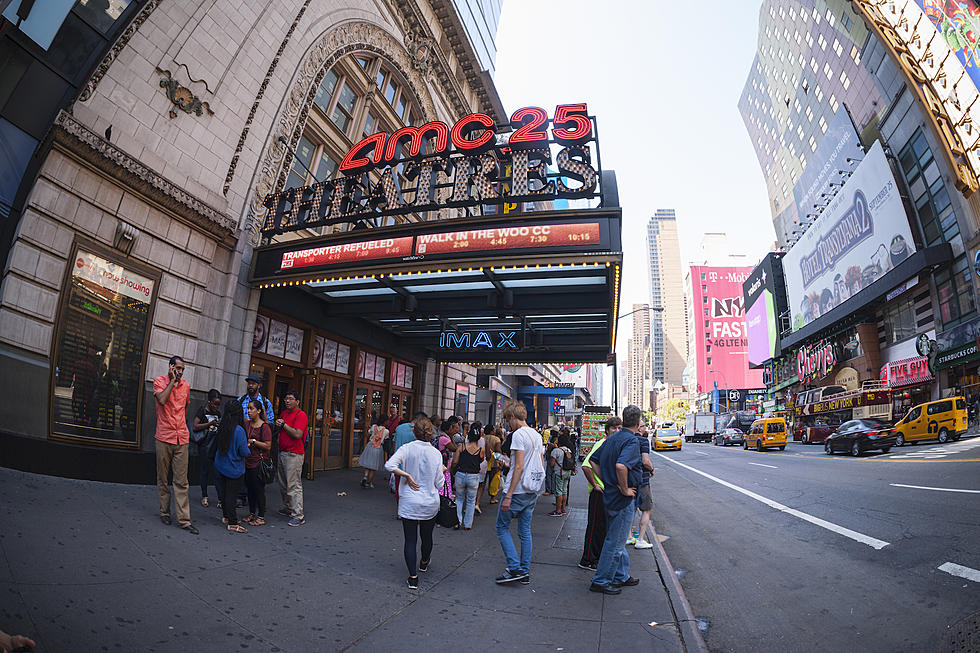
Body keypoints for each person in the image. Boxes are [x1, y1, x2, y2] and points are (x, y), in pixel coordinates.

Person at [385, 417, 445, 589]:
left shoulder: (407, 449)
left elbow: (390, 465)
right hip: (429, 502)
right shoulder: (436, 453)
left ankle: (413, 577)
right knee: (427, 536)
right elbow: (439, 483)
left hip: (409, 501)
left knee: (410, 540)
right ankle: (424, 562)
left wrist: (406, 475)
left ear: (414, 431)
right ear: (430, 433)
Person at [588, 405, 643, 595]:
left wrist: (605, 481)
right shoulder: (631, 441)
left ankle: (620, 575)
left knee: (616, 537)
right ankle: (601, 580)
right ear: (638, 422)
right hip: (621, 499)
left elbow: (593, 461)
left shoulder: (612, 439)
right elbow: (621, 466)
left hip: (610, 496)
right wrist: (624, 488)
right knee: (615, 541)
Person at [495, 400, 546, 585]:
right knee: (525, 531)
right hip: (531, 489)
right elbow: (538, 461)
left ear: (513, 417)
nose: (508, 423)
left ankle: (515, 567)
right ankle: (524, 571)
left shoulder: (518, 435)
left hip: (516, 490)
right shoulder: (536, 435)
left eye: (508, 419)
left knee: (501, 528)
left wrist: (508, 495)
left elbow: (519, 466)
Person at [153, 355, 198, 535]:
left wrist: (183, 427)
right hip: (164, 436)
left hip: (182, 438)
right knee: (163, 478)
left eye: (182, 369)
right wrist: (172, 382)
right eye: (178, 368)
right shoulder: (159, 381)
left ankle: (184, 520)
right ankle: (165, 512)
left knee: (181, 481)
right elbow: (162, 400)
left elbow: (185, 409)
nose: (180, 372)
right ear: (171, 367)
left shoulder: (186, 386)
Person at [578, 417, 621, 571]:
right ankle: (588, 560)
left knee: (603, 528)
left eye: (619, 428)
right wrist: (596, 484)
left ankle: (596, 558)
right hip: (599, 493)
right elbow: (586, 466)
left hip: (608, 493)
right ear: (607, 430)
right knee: (596, 527)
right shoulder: (602, 444)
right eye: (613, 428)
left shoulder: (613, 444)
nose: (616, 431)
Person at [213, 400, 251, 533]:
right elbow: (244, 452)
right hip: (234, 468)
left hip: (220, 465)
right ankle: (233, 522)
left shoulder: (222, 426)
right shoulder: (239, 430)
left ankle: (225, 516)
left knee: (223, 494)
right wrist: (248, 446)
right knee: (231, 496)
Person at [275, 390, 308, 526]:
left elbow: (297, 434)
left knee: (294, 485)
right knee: (283, 483)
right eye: (286, 398)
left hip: (294, 454)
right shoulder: (284, 414)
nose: (287, 401)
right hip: (283, 452)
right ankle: (288, 507)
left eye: (290, 399)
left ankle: (298, 515)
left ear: (297, 401)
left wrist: (283, 425)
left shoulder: (301, 415)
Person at [243, 399, 273, 526]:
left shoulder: (264, 427)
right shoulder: (247, 424)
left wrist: (253, 441)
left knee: (259, 490)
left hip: (259, 462)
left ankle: (261, 516)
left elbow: (268, 446)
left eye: (251, 409)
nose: (249, 411)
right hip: (248, 461)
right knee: (249, 489)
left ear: (259, 411)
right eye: (248, 408)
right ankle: (252, 513)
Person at [627, 420, 655, 550]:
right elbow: (645, 461)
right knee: (646, 509)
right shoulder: (643, 441)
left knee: (632, 509)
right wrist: (652, 469)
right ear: (639, 428)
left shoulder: (627, 441)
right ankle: (640, 539)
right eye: (643, 426)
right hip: (643, 480)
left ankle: (629, 536)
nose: (645, 428)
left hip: (629, 480)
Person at [191, 389, 221, 507]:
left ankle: (220, 499)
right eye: (215, 403)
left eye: (219, 404)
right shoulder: (202, 411)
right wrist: (210, 424)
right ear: (209, 402)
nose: (217, 406)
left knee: (217, 472)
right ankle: (204, 496)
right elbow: (195, 426)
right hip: (204, 445)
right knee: (205, 471)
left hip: (215, 445)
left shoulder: (218, 413)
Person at [451, 427, 484, 530]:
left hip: (460, 474)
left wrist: (452, 471)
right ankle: (467, 525)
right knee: (471, 501)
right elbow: (481, 461)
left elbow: (455, 462)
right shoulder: (480, 450)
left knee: (459, 499)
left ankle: (457, 521)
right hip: (473, 476)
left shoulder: (461, 447)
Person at [548, 432, 575, 517]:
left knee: (558, 491)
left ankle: (558, 510)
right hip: (567, 472)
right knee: (564, 490)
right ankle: (563, 509)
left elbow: (551, 464)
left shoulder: (556, 451)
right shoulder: (568, 450)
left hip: (559, 473)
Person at [359, 414, 389, 489]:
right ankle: (369, 483)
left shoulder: (373, 426)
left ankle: (365, 477)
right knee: (373, 467)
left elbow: (368, 434)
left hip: (370, 446)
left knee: (368, 464)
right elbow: (385, 440)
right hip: (378, 448)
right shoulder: (386, 431)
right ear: (385, 422)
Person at [484, 424, 503, 504]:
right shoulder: (496, 439)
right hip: (494, 462)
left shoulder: (482, 438)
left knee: (483, 480)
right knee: (493, 479)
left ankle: (477, 499)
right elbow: (498, 450)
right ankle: (492, 497)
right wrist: (500, 461)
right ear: (492, 431)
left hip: (484, 461)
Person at [543, 431, 559, 496]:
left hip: (551, 458)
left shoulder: (553, 441)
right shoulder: (555, 439)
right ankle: (552, 489)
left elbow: (550, 449)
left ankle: (549, 490)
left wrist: (550, 445)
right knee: (552, 475)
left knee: (549, 474)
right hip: (554, 459)